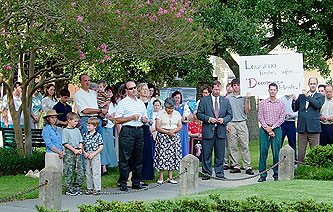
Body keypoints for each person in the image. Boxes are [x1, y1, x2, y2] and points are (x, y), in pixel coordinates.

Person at [115, 81, 148, 191]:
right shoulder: (122, 103)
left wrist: (144, 120)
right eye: (131, 88)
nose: (134, 90)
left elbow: (145, 117)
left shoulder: (140, 103)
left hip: (139, 130)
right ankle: (123, 182)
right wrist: (131, 118)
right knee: (125, 157)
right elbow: (117, 119)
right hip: (127, 130)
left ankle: (136, 181)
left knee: (138, 157)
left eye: (134, 88)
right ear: (126, 91)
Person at [197, 80, 233, 180]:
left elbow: (230, 115)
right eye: (215, 89)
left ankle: (219, 173)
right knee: (207, 154)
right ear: (212, 89)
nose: (217, 91)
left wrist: (224, 120)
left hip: (220, 131)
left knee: (220, 154)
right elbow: (199, 114)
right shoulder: (204, 100)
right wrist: (208, 119)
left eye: (218, 89)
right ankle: (207, 173)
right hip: (208, 130)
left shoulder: (225, 101)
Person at [292, 77, 325, 162]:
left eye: (314, 84)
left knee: (315, 152)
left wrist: (308, 96)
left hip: (314, 128)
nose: (312, 85)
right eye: (311, 83)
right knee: (301, 153)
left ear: (316, 85)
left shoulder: (320, 96)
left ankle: (315, 170)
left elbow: (317, 105)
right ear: (308, 84)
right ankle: (300, 170)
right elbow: (295, 109)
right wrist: (294, 100)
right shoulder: (301, 96)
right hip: (302, 128)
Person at [257, 83, 286, 182]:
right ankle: (262, 174)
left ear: (277, 91)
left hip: (276, 129)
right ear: (268, 90)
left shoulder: (281, 104)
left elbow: (282, 118)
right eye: (271, 89)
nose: (272, 91)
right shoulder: (263, 103)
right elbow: (260, 116)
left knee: (276, 152)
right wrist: (267, 128)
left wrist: (272, 128)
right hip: (264, 129)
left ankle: (276, 174)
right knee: (263, 152)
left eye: (274, 90)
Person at [226, 79, 254, 175]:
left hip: (242, 122)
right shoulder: (228, 98)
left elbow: (247, 111)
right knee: (232, 145)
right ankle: (235, 165)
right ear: (232, 87)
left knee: (244, 145)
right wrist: (227, 124)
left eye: (238, 85)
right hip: (231, 122)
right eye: (234, 85)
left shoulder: (244, 96)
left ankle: (247, 166)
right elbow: (226, 112)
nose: (236, 87)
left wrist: (246, 99)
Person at [154, 97, 182, 184]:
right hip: (163, 136)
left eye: (171, 108)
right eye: (168, 108)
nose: (170, 110)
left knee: (172, 156)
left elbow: (180, 126)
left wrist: (173, 131)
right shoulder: (160, 113)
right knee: (163, 155)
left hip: (174, 135)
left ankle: (171, 177)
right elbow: (157, 127)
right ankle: (161, 177)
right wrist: (167, 132)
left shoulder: (177, 114)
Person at [62, 112, 84, 196]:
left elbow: (80, 141)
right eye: (75, 121)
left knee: (79, 170)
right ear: (69, 120)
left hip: (78, 152)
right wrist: (74, 150)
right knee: (69, 170)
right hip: (69, 153)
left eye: (77, 121)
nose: (76, 123)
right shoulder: (65, 130)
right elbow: (65, 143)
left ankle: (77, 187)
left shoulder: (77, 130)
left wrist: (79, 148)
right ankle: (69, 188)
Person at [82, 117, 104, 195]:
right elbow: (82, 145)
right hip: (87, 154)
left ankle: (97, 188)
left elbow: (101, 146)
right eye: (87, 125)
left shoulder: (98, 136)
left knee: (96, 172)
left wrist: (94, 154)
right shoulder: (84, 135)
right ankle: (89, 188)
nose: (88, 127)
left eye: (90, 126)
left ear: (95, 126)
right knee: (88, 172)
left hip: (95, 154)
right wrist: (84, 153)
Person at [137, 83, 155, 181]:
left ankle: (146, 175)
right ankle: (136, 175)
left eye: (146, 89)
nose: (145, 91)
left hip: (146, 128)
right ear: (139, 91)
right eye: (143, 89)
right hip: (138, 127)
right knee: (138, 152)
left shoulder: (150, 104)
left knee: (147, 151)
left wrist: (150, 121)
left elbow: (151, 117)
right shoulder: (137, 102)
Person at [101, 86, 117, 176]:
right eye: (107, 92)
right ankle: (103, 167)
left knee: (109, 146)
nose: (109, 94)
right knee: (103, 147)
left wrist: (109, 116)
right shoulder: (102, 103)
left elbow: (114, 116)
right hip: (103, 126)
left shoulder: (114, 104)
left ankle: (108, 165)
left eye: (111, 92)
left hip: (110, 126)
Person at [172, 91, 192, 158]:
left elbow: (191, 116)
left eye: (179, 98)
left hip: (183, 129)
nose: (177, 99)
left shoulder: (184, 107)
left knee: (183, 144)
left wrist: (185, 118)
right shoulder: (171, 108)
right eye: (176, 98)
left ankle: (184, 159)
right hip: (174, 128)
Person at [279, 94, 298, 159]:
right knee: (279, 142)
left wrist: (293, 115)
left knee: (292, 142)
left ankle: (294, 159)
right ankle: (278, 159)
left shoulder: (295, 99)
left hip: (291, 122)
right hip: (282, 123)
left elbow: (299, 111)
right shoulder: (280, 99)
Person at [224, 82, 233, 170]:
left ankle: (233, 162)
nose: (230, 89)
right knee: (226, 144)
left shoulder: (235, 98)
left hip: (234, 121)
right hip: (227, 122)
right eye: (228, 87)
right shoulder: (224, 99)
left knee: (233, 144)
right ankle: (225, 162)